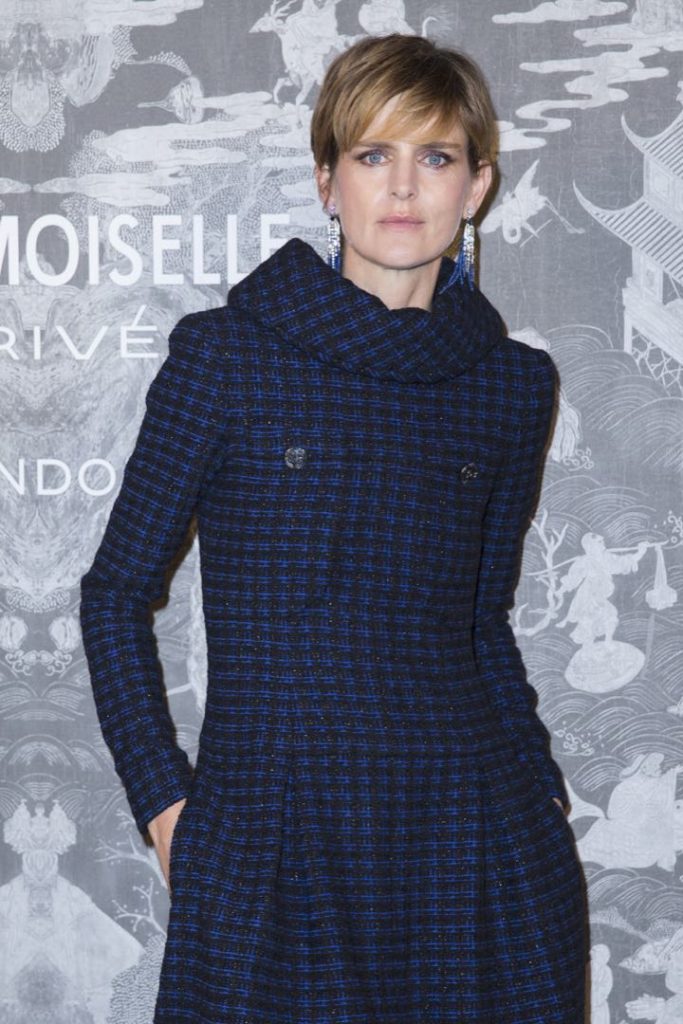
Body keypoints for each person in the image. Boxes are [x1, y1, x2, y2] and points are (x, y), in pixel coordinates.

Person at [79, 32, 588, 1024]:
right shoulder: (226, 357)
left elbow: (480, 622)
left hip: (473, 836)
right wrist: (167, 807)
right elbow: (114, 596)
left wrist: (537, 784)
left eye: (434, 156)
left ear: (476, 186)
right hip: (275, 831)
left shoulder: (511, 385)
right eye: (371, 155)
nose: (402, 187)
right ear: (326, 181)